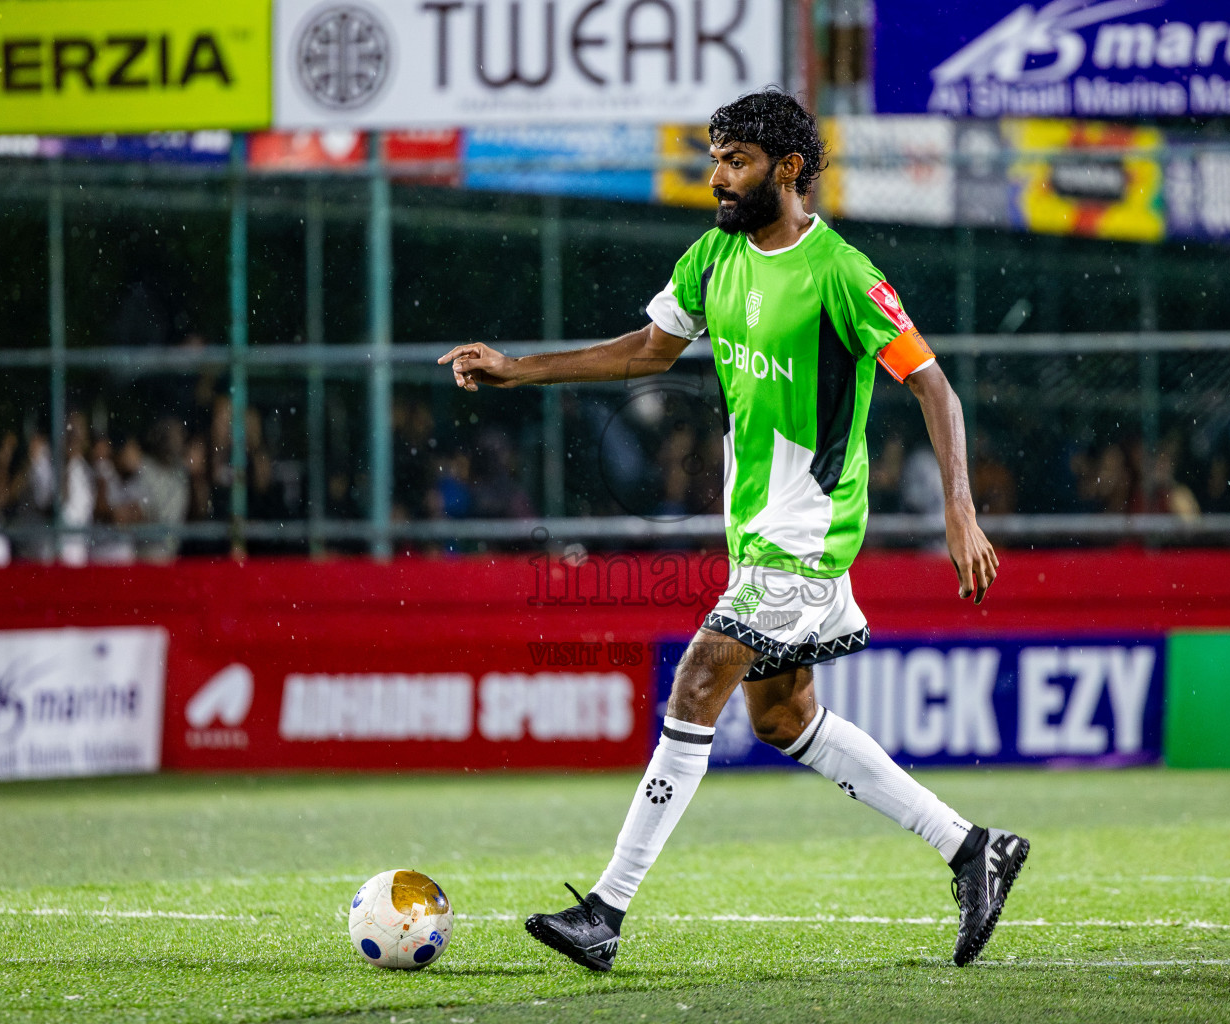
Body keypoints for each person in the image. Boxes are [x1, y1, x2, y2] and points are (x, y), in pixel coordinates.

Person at [438, 89, 1025, 971]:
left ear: (788, 169)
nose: (716, 177)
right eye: (714, 158)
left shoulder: (842, 273)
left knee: (700, 675)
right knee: (784, 717)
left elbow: (933, 386)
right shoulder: (714, 255)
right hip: (754, 534)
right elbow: (646, 350)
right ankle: (973, 848)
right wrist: (517, 370)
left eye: (735, 161)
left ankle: (606, 910)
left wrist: (959, 508)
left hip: (812, 531)